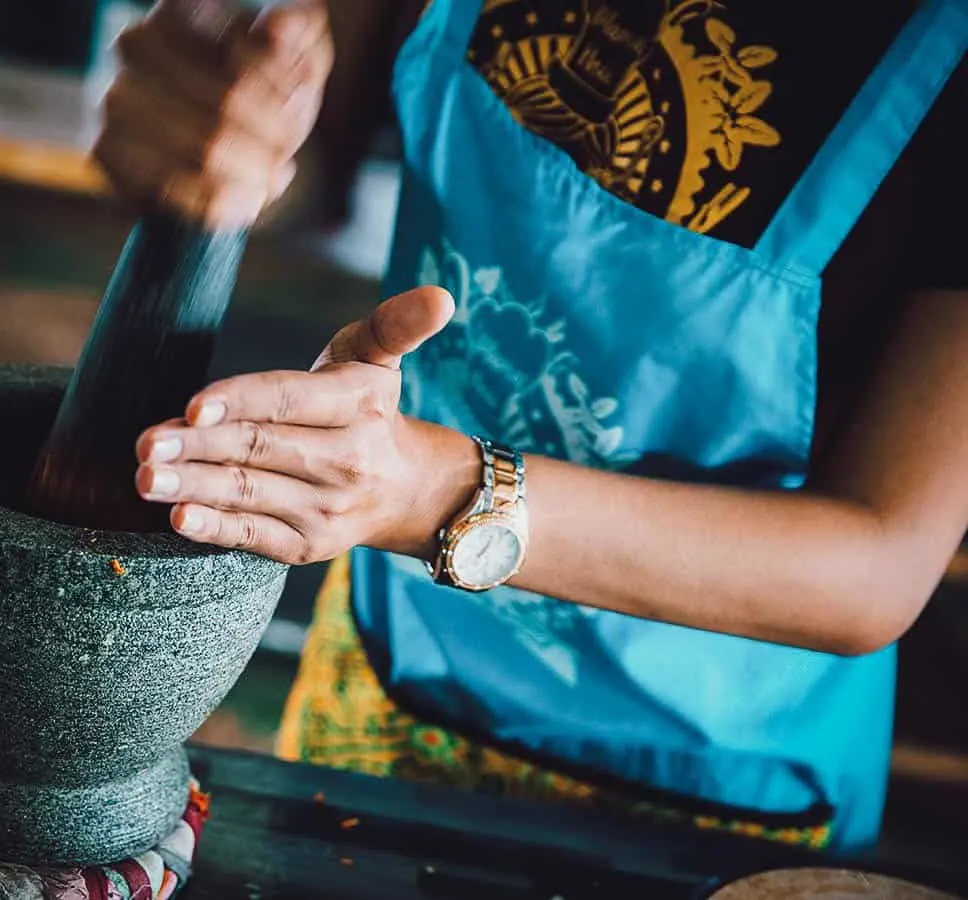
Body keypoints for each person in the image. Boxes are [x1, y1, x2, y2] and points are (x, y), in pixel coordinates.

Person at [96, 0, 967, 854]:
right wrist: (220, 139)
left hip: (702, 778)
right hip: (400, 651)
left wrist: (436, 490)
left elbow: (880, 560)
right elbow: (312, 167)